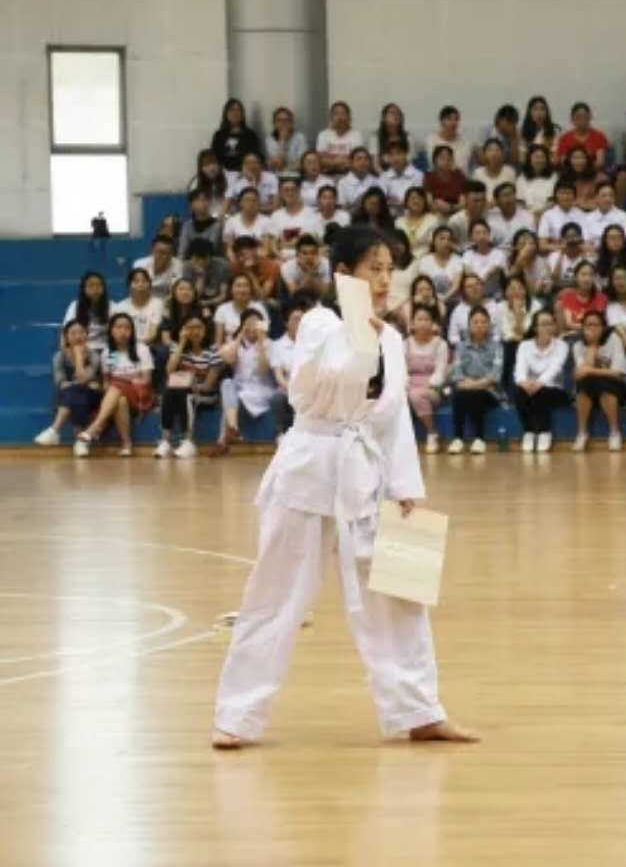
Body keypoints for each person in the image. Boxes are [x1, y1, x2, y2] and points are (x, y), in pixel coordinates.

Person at [212, 225, 475, 749]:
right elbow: (325, 379)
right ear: (344, 274)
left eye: (389, 269)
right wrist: (364, 336)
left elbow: (393, 417)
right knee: (275, 592)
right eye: (373, 269)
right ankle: (236, 715)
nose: (384, 279)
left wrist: (406, 486)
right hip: (310, 464)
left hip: (366, 471)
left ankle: (420, 710)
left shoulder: (394, 338)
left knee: (399, 596)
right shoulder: (318, 323)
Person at [217, 309, 286, 453]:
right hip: (239, 389)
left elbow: (263, 368)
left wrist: (261, 340)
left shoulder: (270, 344)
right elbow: (229, 358)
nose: (253, 327)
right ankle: (233, 427)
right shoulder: (236, 343)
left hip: (263, 391)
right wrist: (240, 335)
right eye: (249, 323)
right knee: (226, 384)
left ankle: (224, 438)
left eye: (256, 323)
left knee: (228, 401)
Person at [156, 312, 221, 460]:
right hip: (180, 392)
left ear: (205, 329)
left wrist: (192, 386)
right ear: (183, 330)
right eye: (190, 327)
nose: (195, 331)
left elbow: (208, 385)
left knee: (186, 395)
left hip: (206, 395)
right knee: (167, 392)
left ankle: (189, 441)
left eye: (199, 327)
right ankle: (165, 441)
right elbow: (169, 371)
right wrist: (181, 343)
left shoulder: (213, 351)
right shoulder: (177, 347)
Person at [36, 322, 103, 450]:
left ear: (87, 335)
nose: (78, 336)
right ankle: (81, 442)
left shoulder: (94, 356)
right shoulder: (59, 356)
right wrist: (80, 384)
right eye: (73, 333)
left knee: (77, 392)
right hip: (68, 395)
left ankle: (55, 430)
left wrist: (78, 356)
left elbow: (83, 379)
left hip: (92, 397)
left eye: (81, 332)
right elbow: (61, 383)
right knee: (75, 393)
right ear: (66, 337)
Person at [570, 310, 626, 452]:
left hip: (615, 384)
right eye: (588, 325)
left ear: (603, 327)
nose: (591, 328)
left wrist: (591, 371)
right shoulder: (578, 346)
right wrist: (591, 346)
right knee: (583, 387)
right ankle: (582, 433)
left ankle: (615, 432)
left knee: (604, 388)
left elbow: (618, 373)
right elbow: (579, 374)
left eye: (596, 325)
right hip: (589, 385)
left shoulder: (614, 340)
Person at [512, 310, 570, 453]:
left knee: (540, 393)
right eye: (544, 324)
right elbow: (519, 370)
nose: (548, 328)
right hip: (529, 387)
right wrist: (523, 383)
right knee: (519, 393)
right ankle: (528, 432)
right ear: (535, 328)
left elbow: (554, 369)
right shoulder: (525, 346)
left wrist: (538, 383)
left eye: (551, 324)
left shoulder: (562, 345)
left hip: (555, 390)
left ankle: (544, 432)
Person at [446, 306, 501, 455]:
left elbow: (495, 375)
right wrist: (468, 384)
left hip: (490, 391)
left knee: (475, 395)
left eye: (483, 322)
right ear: (469, 325)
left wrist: (474, 384)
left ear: (489, 325)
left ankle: (479, 439)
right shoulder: (461, 347)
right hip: (465, 388)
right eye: (475, 322)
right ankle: (457, 439)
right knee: (458, 395)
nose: (479, 325)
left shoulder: (496, 347)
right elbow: (457, 374)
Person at [405, 305, 449, 453]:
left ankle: (431, 432)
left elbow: (440, 372)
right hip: (409, 386)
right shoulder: (405, 344)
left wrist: (428, 385)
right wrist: (406, 386)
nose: (423, 323)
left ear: (432, 323)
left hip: (433, 389)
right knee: (408, 395)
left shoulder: (441, 344)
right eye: (419, 319)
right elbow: (402, 371)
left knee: (417, 395)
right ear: (412, 323)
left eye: (426, 319)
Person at [63, 270, 111, 354]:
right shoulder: (75, 306)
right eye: (91, 285)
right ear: (84, 288)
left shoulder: (112, 306)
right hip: (81, 348)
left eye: (98, 285)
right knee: (58, 357)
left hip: (105, 349)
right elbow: (65, 332)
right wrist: (67, 352)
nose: (95, 289)